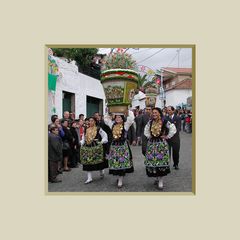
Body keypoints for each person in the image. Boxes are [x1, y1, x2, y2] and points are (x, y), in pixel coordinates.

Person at [144, 107, 176, 189]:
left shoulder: (164, 121)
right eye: (153, 113)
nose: (154, 114)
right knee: (153, 162)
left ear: (159, 113)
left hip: (161, 144)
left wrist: (167, 136)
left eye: (156, 112)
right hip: (152, 144)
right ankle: (157, 178)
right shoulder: (150, 122)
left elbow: (172, 128)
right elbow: (146, 130)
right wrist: (149, 136)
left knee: (161, 161)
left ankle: (161, 180)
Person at [104, 110, 135, 188]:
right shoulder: (112, 125)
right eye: (116, 117)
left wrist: (127, 109)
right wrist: (109, 111)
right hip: (114, 146)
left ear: (122, 118)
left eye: (119, 117)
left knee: (122, 162)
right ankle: (119, 177)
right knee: (115, 162)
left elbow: (131, 118)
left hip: (123, 146)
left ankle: (120, 179)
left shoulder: (125, 125)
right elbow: (106, 119)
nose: (117, 118)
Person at [80, 117, 108, 184]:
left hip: (96, 146)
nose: (90, 122)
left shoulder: (98, 129)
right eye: (89, 121)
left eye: (92, 121)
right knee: (88, 161)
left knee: (98, 160)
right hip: (88, 147)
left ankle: (101, 170)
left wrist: (102, 141)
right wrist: (81, 142)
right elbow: (84, 137)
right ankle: (89, 178)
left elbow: (105, 135)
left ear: (95, 121)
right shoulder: (86, 129)